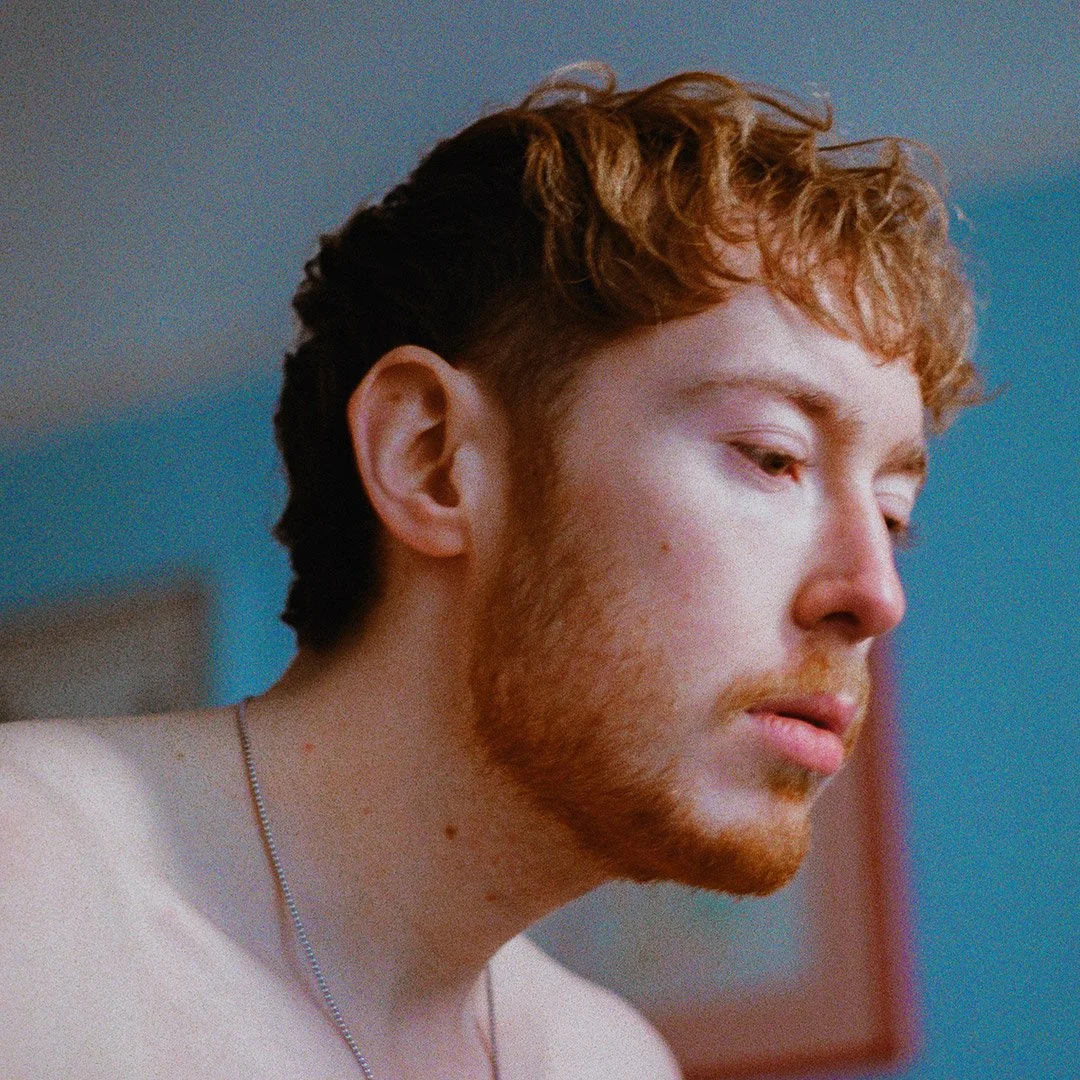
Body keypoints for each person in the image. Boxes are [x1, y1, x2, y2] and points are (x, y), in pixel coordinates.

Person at [0, 64, 981, 1079]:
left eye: (894, 512)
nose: (876, 594)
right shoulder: (28, 901)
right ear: (430, 458)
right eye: (772, 457)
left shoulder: (609, 1063)